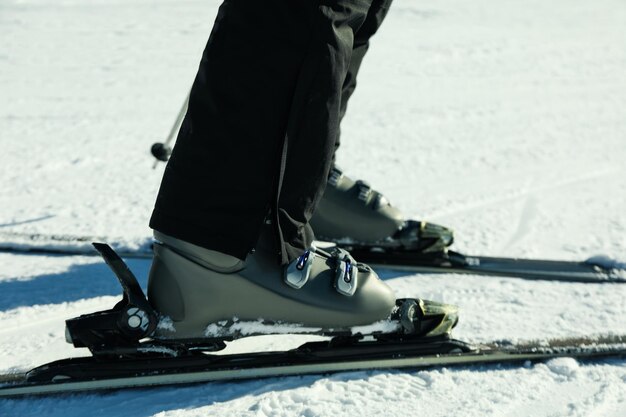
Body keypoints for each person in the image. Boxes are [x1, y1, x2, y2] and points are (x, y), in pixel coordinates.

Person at [146, 0, 451, 339]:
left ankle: (297, 187)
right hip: (229, 223)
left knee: (353, 12)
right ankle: (218, 243)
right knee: (302, 8)